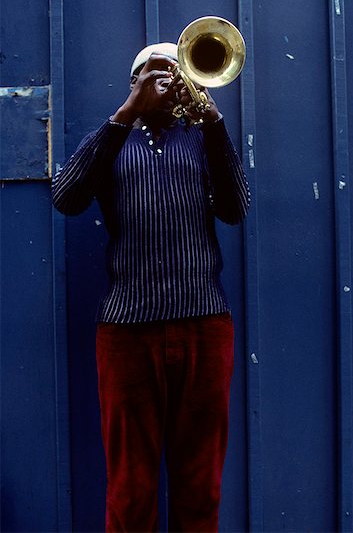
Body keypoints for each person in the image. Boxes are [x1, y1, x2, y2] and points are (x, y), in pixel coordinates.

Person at [52, 41, 250, 532]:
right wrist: (124, 115)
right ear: (134, 83)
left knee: (200, 484)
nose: (167, 81)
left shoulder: (202, 138)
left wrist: (213, 120)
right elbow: (66, 198)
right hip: (126, 333)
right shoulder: (112, 138)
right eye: (154, 73)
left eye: (176, 72)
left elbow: (235, 208)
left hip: (204, 327)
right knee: (130, 486)